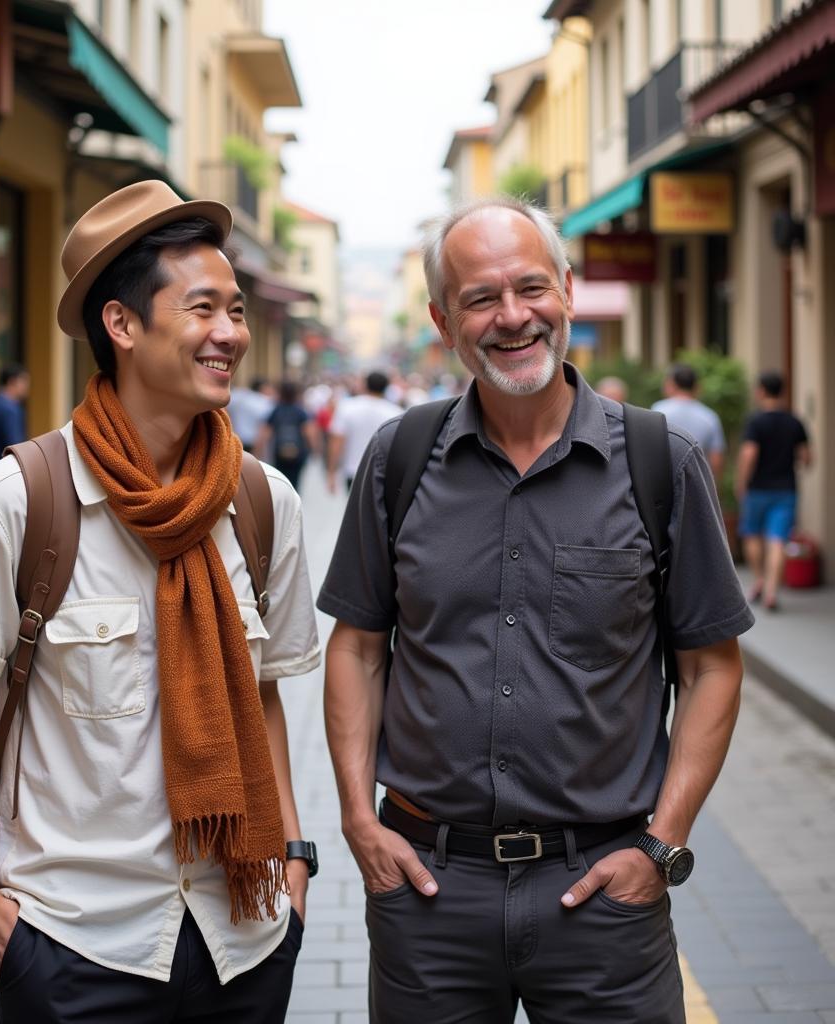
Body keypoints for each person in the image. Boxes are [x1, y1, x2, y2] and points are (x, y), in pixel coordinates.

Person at [317, 196, 753, 1023]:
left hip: (604, 898)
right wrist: (354, 819)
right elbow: (358, 649)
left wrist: (661, 846)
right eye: (481, 298)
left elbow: (711, 669)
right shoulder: (399, 459)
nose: (512, 316)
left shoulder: (660, 462)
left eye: (530, 288)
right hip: (429, 892)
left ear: (567, 292)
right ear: (446, 324)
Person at [0, 180, 321, 1023]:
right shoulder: (20, 501)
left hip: (239, 936)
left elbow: (267, 694)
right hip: (74, 945)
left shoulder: (260, 501)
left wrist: (291, 861)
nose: (232, 335)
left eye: (238, 311)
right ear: (124, 325)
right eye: (204, 308)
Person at [736, 370, 811, 611]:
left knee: (752, 535)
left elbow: (749, 454)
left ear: (761, 391)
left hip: (758, 489)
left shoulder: (756, 421)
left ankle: (759, 578)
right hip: (786, 489)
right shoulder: (795, 421)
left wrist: (742, 482)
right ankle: (771, 592)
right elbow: (807, 457)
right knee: (777, 539)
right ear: (783, 391)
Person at [326, 371, 402, 493]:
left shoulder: (347, 407)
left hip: (352, 471)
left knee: (353, 509)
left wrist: (331, 473)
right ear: (387, 387)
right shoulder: (395, 412)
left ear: (365, 385)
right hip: (383, 473)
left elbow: (336, 441)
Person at [652, 363, 726, 483]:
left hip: (664, 484)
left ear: (672, 384)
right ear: (696, 386)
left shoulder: (657, 410)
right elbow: (716, 458)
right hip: (698, 483)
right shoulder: (709, 416)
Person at [257, 379, 314, 491]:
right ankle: (294, 502)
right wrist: (312, 449)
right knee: (295, 481)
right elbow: (309, 433)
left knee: (281, 480)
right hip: (298, 453)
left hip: (279, 452)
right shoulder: (300, 412)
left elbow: (265, 434)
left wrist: (258, 453)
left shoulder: (275, 411)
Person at [0, 364, 29, 467]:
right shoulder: (10, 409)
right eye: (24, 382)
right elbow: (15, 446)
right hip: (4, 468)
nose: (27, 387)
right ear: (12, 381)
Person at [227, 376, 275, 452]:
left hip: (235, 439)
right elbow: (264, 427)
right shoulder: (265, 402)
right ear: (263, 387)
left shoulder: (237, 396)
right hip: (253, 441)